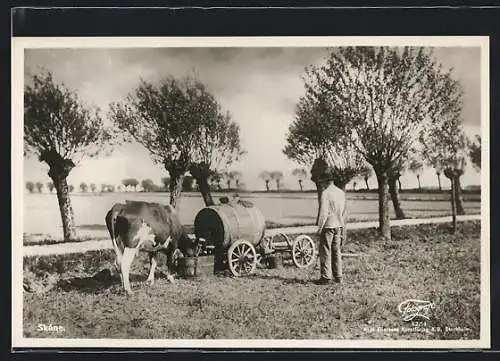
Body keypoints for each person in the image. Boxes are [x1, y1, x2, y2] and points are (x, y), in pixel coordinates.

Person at [314, 171, 347, 285]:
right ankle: (338, 276)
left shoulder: (326, 193)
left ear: (325, 182)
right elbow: (342, 211)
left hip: (328, 225)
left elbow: (323, 213)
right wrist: (342, 225)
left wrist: (319, 227)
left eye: (322, 182)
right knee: (336, 251)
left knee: (325, 251)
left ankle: (326, 277)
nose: (321, 185)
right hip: (338, 225)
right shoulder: (340, 193)